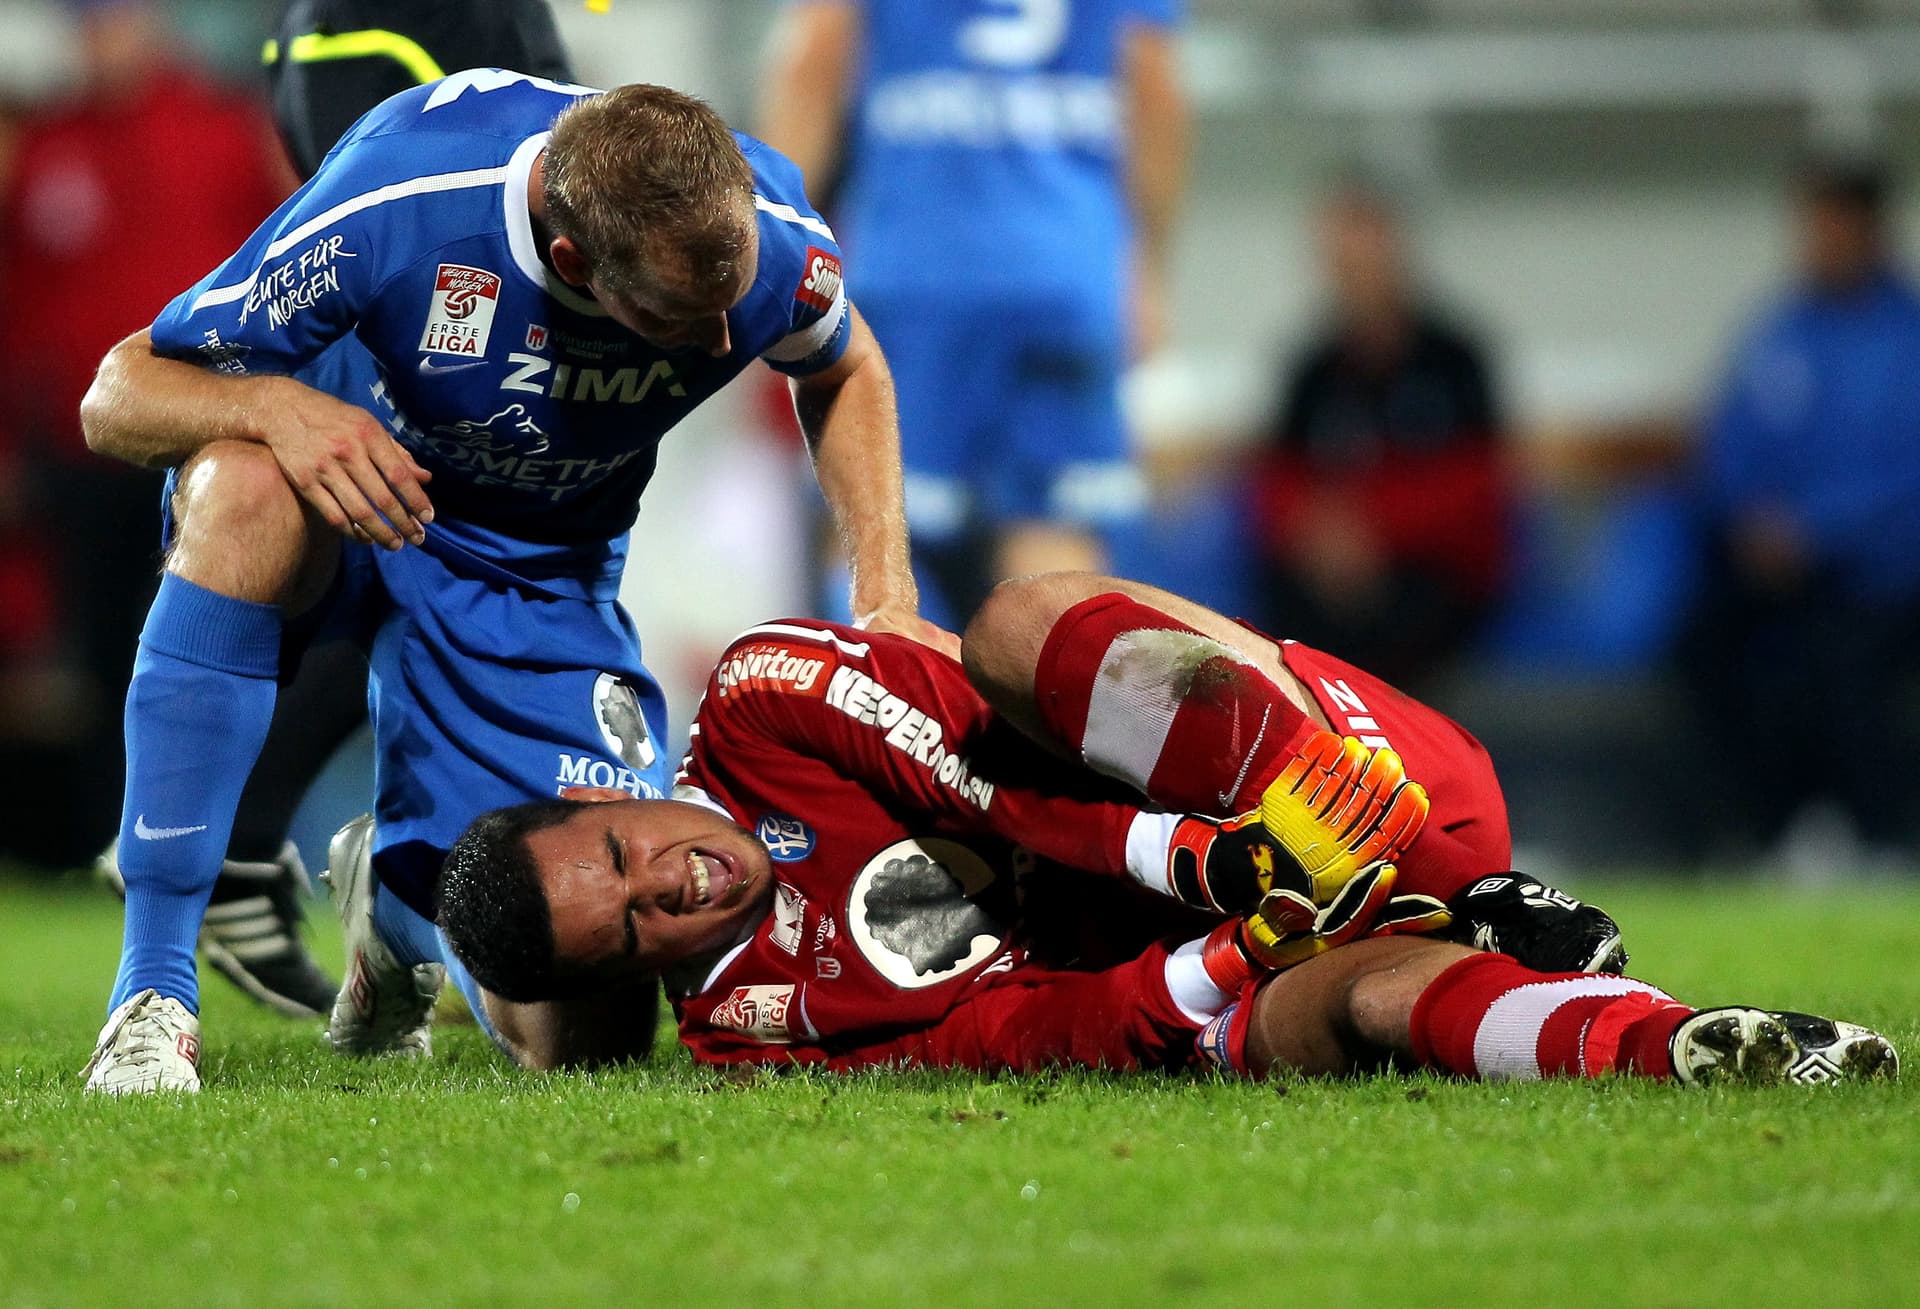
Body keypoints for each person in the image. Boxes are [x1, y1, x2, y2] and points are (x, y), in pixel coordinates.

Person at [76, 71, 936, 1094]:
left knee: (586, 1026)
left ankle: (398, 905)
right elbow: (118, 395)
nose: (720, 343)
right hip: (331, 498)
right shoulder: (401, 198)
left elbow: (846, 366)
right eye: (677, 316)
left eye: (729, 304)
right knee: (242, 489)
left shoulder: (772, 234)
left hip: (531, 564)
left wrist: (885, 596)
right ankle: (152, 992)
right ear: (572, 262)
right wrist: (277, 410)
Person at [435, 572, 1895, 1086]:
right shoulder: (752, 1034)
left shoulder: (757, 705)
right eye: (631, 928)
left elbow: (981, 784)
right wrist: (1234, 947)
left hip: (1326, 780)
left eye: (621, 855)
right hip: (1246, 939)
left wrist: (1206, 855)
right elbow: (1026, 1034)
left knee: (1020, 621)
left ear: (608, 792)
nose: (668, 883)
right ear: (631, 972)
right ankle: (1678, 1043)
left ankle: (1457, 882)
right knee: (1355, 1013)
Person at [92, 0, 585, 1024]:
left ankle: (378, 869)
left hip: (475, 375)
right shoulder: (390, 26)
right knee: (338, 526)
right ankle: (202, 898)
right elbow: (357, 200)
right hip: (399, 358)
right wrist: (283, 402)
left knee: (563, 1003)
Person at [757, 0, 1187, 627]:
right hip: (1067, 270)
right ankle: (1053, 686)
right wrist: (1143, 263)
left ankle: (887, 688)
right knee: (1055, 539)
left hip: (920, 269)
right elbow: (1152, 82)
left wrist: (772, 247)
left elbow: (816, 56)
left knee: (876, 530)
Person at [0, 0, 290, 866]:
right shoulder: (49, 143)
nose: (105, 36)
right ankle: (112, 846)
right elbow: (17, 307)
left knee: (212, 644)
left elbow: (283, 269)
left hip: (209, 437)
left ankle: (228, 848)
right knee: (98, 659)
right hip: (82, 448)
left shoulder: (224, 129)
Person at [1684, 156, 1920, 867]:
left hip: (1883, 577)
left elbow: (1904, 478)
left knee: (1843, 660)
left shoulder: (1906, 339)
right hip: (1774, 570)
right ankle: (1762, 837)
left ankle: (1881, 840)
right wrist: (1750, 521)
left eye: (1834, 224)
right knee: (1702, 645)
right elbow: (1727, 447)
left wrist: (1814, 531)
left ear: (1870, 229)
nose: (1819, 241)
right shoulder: (1776, 332)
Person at [1249, 180, 1512, 693]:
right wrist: (1320, 534)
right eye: (1339, 260)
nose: (1353, 274)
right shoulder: (1313, 370)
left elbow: (1480, 487)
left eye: (1363, 256)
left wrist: (1373, 532)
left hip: (1432, 580)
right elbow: (1274, 486)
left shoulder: (1455, 360)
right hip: (1326, 584)